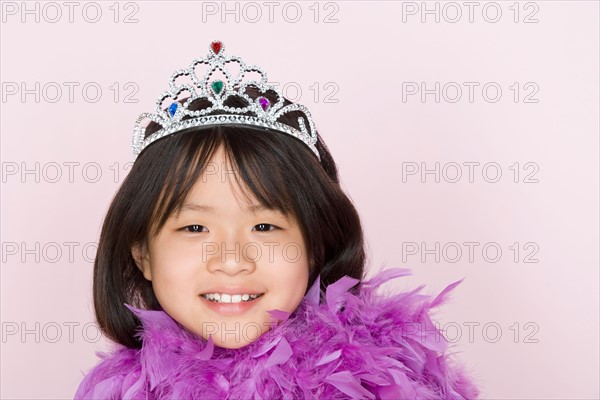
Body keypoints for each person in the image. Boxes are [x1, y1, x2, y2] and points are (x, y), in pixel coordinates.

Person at [74, 40, 480, 399]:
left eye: (264, 227)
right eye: (194, 228)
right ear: (142, 252)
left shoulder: (388, 385)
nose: (232, 260)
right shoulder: (114, 391)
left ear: (316, 246)